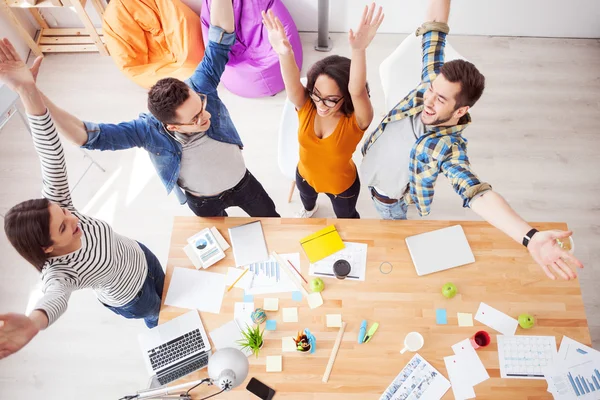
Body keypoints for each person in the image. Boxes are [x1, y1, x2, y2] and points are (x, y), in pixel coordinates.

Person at [360, 0, 584, 280]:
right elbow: (435, 27)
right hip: (372, 165)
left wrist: (529, 237)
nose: (427, 100)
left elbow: (477, 194)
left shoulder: (447, 149)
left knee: (394, 219)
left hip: (390, 196)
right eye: (431, 90)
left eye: (440, 100)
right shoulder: (433, 83)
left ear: (461, 110)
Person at [31, 0, 279, 218]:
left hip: (243, 183)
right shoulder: (147, 132)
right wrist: (32, 93)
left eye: (201, 105)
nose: (207, 116)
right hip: (204, 201)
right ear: (171, 126)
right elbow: (88, 136)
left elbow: (220, 36)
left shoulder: (201, 85)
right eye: (195, 118)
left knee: (273, 219)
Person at [0, 38, 165, 360]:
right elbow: (54, 298)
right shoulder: (59, 273)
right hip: (132, 296)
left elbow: (50, 153)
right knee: (160, 312)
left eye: (64, 213)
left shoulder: (60, 207)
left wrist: (27, 91)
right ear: (47, 248)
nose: (73, 219)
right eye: (64, 228)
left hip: (141, 255)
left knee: (172, 284)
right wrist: (34, 323)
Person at [263, 3, 384, 219]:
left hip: (342, 189)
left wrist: (358, 50)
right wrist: (284, 52)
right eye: (316, 94)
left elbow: (357, 91)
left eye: (330, 100)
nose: (320, 104)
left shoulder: (356, 121)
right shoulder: (306, 106)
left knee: (347, 220)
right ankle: (310, 209)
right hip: (305, 177)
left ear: (344, 97)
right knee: (308, 203)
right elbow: (292, 84)